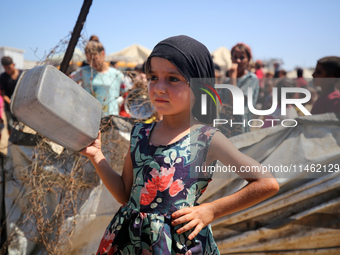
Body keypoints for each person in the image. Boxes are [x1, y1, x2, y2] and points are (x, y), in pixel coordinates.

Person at [80, 35, 279, 254]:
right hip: (127, 240)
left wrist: (211, 210)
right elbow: (125, 195)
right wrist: (97, 156)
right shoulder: (140, 133)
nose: (159, 87)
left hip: (175, 245)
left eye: (173, 79)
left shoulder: (207, 138)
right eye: (153, 77)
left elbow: (267, 183)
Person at [70, 40, 126, 117]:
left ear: (102, 54)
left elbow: (125, 93)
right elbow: (68, 84)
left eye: (95, 59)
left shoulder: (117, 74)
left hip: (111, 119)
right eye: (89, 60)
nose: (92, 63)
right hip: (89, 117)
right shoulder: (83, 72)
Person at [218, 43, 260, 137]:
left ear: (248, 59)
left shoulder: (251, 79)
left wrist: (233, 76)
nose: (238, 60)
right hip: (225, 127)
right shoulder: (227, 81)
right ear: (231, 59)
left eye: (242, 57)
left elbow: (237, 103)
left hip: (240, 128)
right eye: (235, 57)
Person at [0, 56, 22, 133]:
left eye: (9, 68)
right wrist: (10, 102)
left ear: (13, 64)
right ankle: (12, 143)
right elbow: (3, 93)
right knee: (10, 126)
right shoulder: (3, 77)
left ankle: (20, 141)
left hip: (21, 105)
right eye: (5, 68)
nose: (7, 70)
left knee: (21, 125)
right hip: (9, 106)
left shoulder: (22, 74)